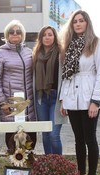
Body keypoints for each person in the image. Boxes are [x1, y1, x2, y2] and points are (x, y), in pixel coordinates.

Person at [59, 10, 100, 175]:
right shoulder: (69, 46)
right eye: (75, 22)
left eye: (81, 21)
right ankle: (80, 173)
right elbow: (66, 76)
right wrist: (63, 100)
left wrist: (95, 100)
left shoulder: (97, 44)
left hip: (89, 98)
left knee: (90, 138)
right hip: (72, 99)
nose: (78, 24)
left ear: (87, 23)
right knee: (78, 138)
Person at [0, 20, 36, 148]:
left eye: (18, 31)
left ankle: (28, 163)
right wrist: (2, 102)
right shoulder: (1, 52)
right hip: (10, 102)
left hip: (28, 102)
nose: (15, 34)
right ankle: (15, 164)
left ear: (22, 35)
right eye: (11, 32)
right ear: (7, 35)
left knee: (30, 136)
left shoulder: (29, 52)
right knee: (12, 136)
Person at [32, 25, 66, 155]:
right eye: (44, 35)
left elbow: (66, 78)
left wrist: (65, 100)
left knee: (54, 135)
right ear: (40, 38)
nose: (47, 37)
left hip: (56, 98)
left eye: (50, 34)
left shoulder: (61, 53)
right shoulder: (36, 54)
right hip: (41, 98)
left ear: (54, 37)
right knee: (45, 134)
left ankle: (59, 165)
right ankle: (48, 164)